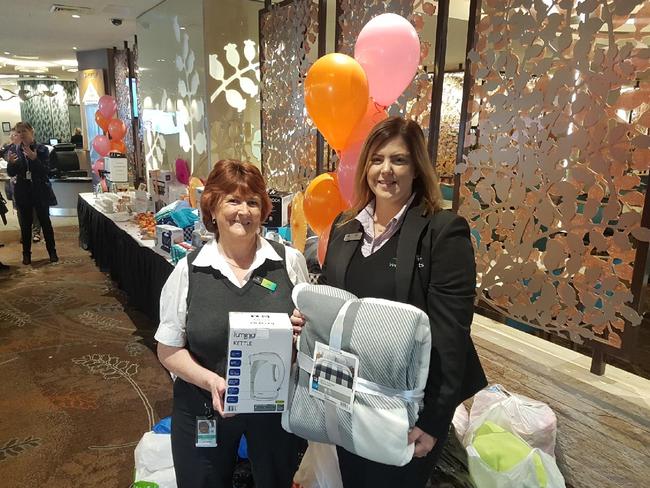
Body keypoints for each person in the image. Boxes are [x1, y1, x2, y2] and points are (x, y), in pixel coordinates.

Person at [291, 117, 487, 487]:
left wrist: (433, 422)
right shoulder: (347, 227)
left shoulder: (442, 232)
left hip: (408, 407)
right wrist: (308, 319)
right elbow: (337, 309)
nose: (385, 170)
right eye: (376, 159)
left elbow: (451, 337)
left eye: (398, 160)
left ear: (416, 169)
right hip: (351, 395)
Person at [155, 159, 309, 488]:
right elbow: (168, 350)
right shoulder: (189, 270)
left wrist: (303, 332)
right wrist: (211, 381)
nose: (244, 211)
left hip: (274, 412)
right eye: (233, 200)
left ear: (264, 210)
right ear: (212, 207)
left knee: (278, 481)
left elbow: (308, 340)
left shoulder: (289, 263)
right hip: (203, 408)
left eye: (253, 202)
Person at [5, 122, 58, 264]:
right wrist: (11, 164)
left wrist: (34, 159)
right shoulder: (14, 150)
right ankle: (26, 255)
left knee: (45, 223)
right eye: (19, 131)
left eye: (24, 131)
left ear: (31, 132)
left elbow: (46, 171)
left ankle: (52, 252)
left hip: (39, 190)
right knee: (25, 225)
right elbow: (11, 173)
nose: (21, 134)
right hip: (23, 191)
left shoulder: (42, 149)